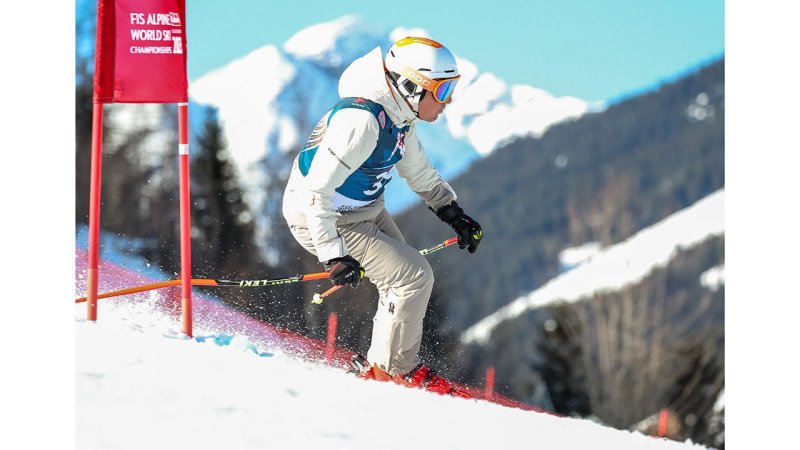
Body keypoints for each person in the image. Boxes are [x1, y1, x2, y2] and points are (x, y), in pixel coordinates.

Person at [282, 36, 483, 395]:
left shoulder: (399, 116)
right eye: (443, 89)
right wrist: (333, 253)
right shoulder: (362, 123)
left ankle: (383, 365)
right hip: (324, 216)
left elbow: (419, 170)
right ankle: (394, 373)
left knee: (404, 279)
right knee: (412, 277)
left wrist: (453, 214)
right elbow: (315, 192)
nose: (449, 100)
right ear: (411, 86)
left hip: (363, 210)